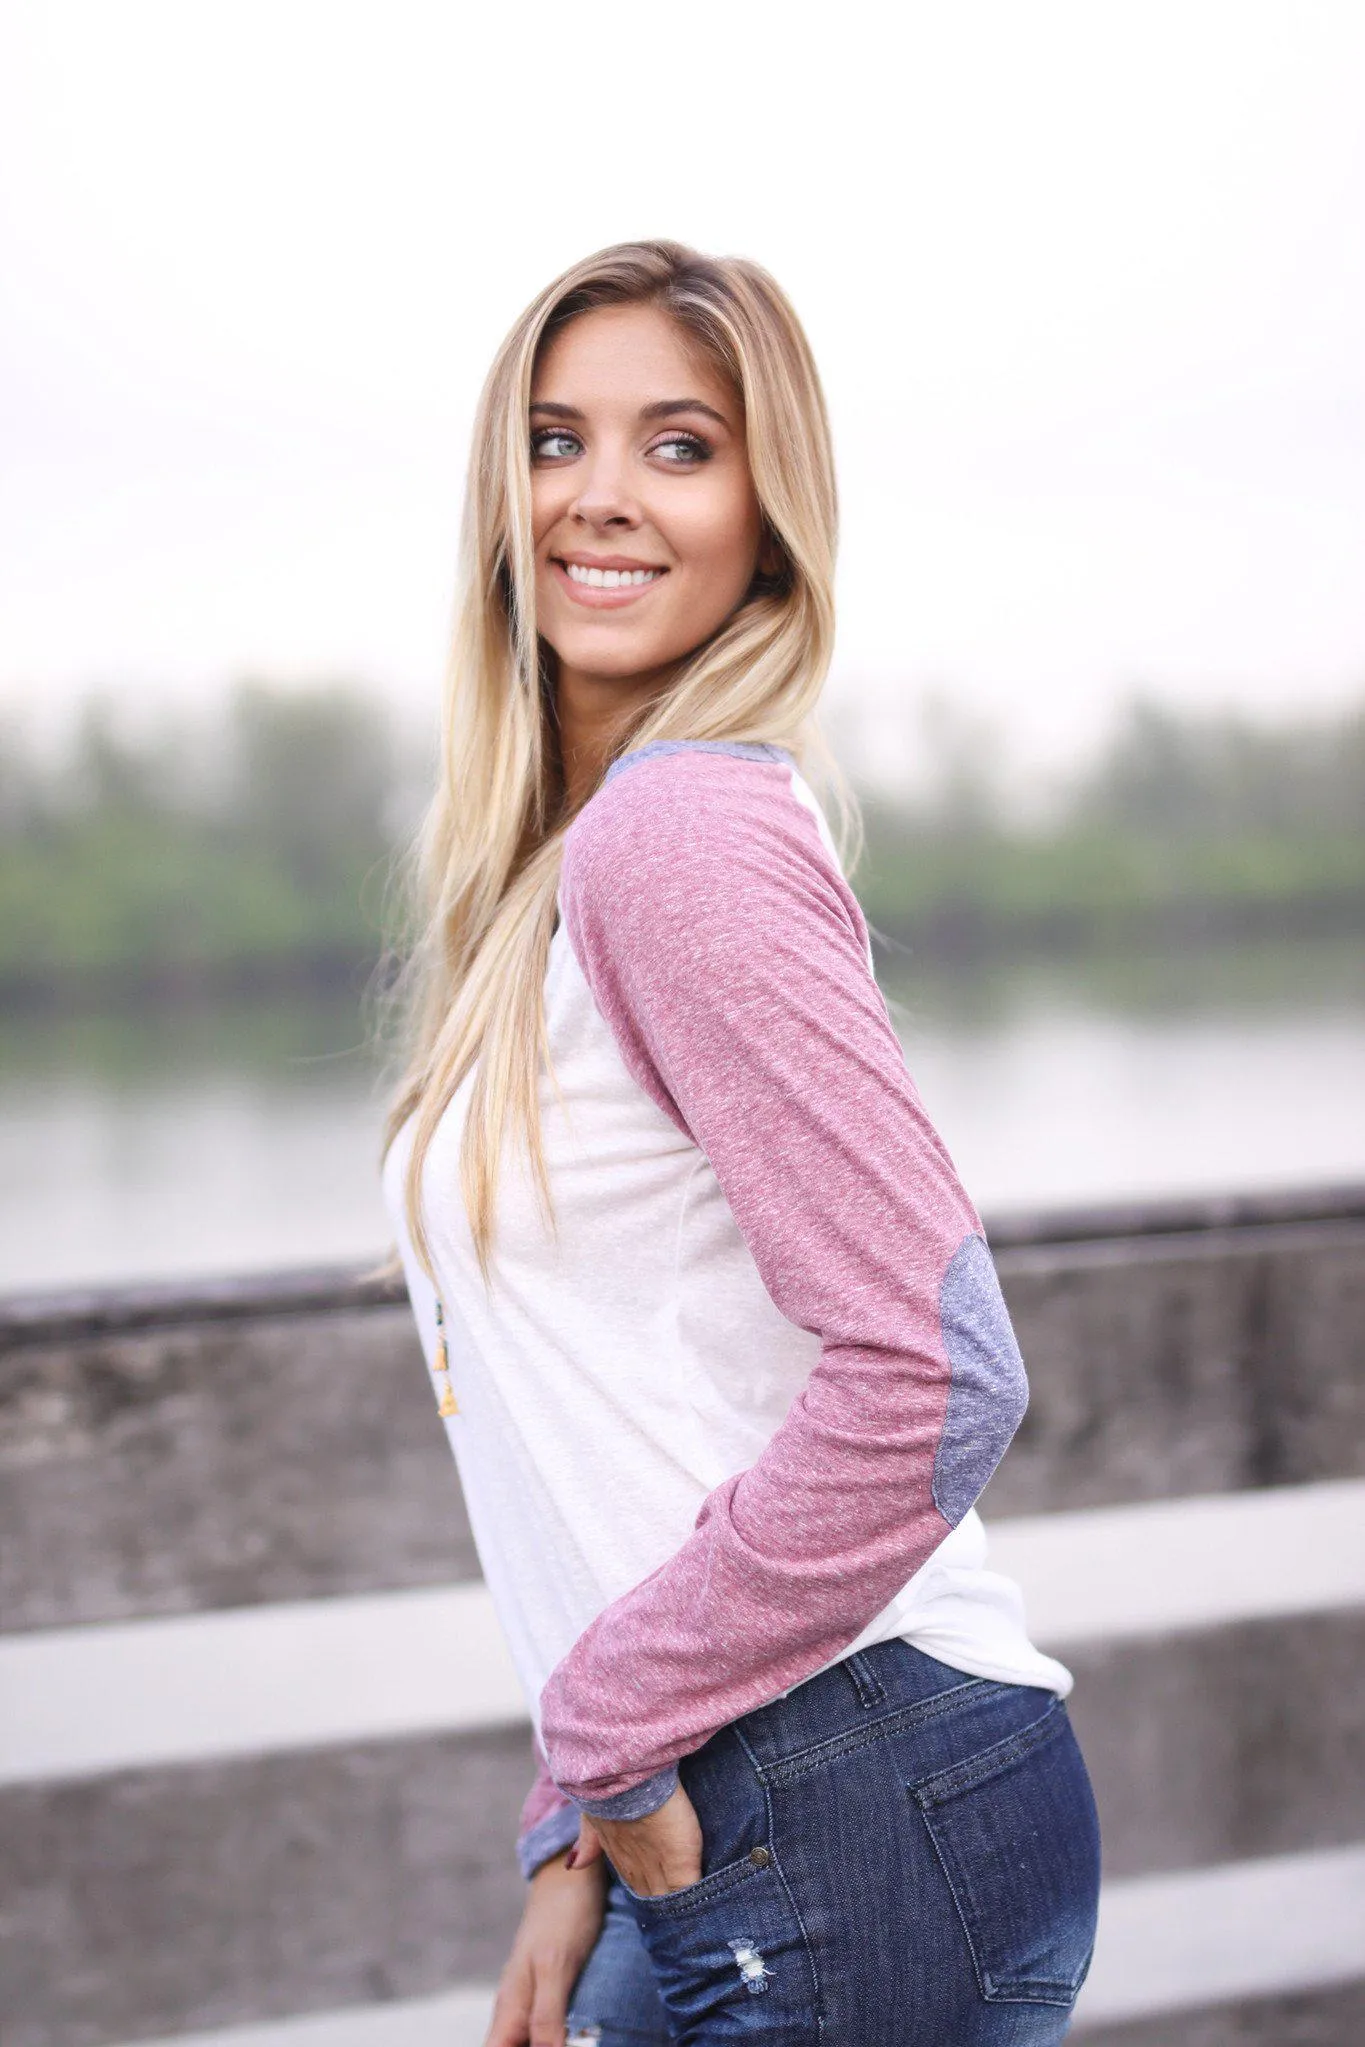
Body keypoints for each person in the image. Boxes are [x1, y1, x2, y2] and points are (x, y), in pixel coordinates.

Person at [379, 239, 1102, 2047]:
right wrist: (573, 1832)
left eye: (679, 446)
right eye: (556, 441)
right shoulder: (577, 869)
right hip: (750, 1793)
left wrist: (606, 1725)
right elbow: (615, 1415)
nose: (602, 497)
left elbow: (937, 1367)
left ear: (770, 516)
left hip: (832, 1781)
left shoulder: (679, 840)